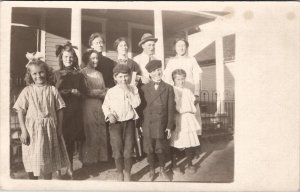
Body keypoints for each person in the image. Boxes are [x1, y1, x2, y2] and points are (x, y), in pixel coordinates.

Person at [13, 53, 70, 180]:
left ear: (47, 73)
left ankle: (46, 184)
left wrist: (59, 128)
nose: (38, 76)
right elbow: (20, 110)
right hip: (32, 131)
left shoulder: (52, 90)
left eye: (41, 72)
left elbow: (60, 109)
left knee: (47, 161)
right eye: (34, 74)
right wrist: (23, 131)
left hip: (49, 130)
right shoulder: (28, 91)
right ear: (30, 75)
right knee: (32, 159)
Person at [53, 42, 87, 179]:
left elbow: (85, 93)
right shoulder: (55, 74)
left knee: (70, 140)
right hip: (60, 111)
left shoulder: (78, 75)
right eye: (66, 57)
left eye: (71, 57)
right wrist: (65, 92)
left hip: (74, 111)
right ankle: (57, 170)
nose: (69, 59)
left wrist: (79, 93)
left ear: (75, 58)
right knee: (58, 139)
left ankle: (70, 167)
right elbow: (52, 92)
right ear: (61, 58)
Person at [102, 64, 141, 182]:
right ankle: (120, 172)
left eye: (125, 76)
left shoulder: (133, 88)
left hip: (129, 122)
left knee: (128, 148)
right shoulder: (111, 91)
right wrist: (109, 115)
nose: (123, 79)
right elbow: (105, 106)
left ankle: (128, 172)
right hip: (115, 124)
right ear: (115, 78)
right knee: (117, 148)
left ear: (129, 77)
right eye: (120, 77)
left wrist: (127, 91)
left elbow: (136, 104)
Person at [162, 38, 203, 147]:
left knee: (192, 120)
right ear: (175, 47)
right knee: (178, 119)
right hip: (176, 93)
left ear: (186, 47)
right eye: (179, 45)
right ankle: (178, 146)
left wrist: (196, 94)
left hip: (190, 94)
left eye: (183, 45)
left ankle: (193, 145)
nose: (181, 48)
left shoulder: (192, 59)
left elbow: (196, 78)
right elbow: (167, 79)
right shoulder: (171, 61)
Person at [140, 60, 175, 182]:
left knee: (160, 147)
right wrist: (140, 124)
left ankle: (162, 169)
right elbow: (140, 108)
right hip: (148, 122)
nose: (157, 73)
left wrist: (170, 126)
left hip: (161, 122)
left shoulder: (169, 88)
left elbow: (171, 108)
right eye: (154, 71)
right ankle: (151, 170)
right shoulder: (143, 88)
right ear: (149, 74)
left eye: (159, 69)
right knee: (149, 147)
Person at [79, 49, 108, 166]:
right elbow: (85, 91)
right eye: (93, 58)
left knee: (100, 129)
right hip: (88, 104)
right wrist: (101, 92)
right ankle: (88, 159)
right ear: (87, 59)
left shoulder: (99, 74)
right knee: (90, 130)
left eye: (97, 58)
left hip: (99, 104)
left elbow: (104, 89)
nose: (96, 60)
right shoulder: (83, 72)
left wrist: (103, 93)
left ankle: (100, 158)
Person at [169, 69, 201, 174]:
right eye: (178, 79)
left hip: (187, 119)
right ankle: (174, 165)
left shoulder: (188, 91)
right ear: (174, 80)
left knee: (189, 142)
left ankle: (190, 164)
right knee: (175, 142)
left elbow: (193, 103)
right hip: (178, 118)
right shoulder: (172, 90)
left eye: (183, 79)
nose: (181, 81)